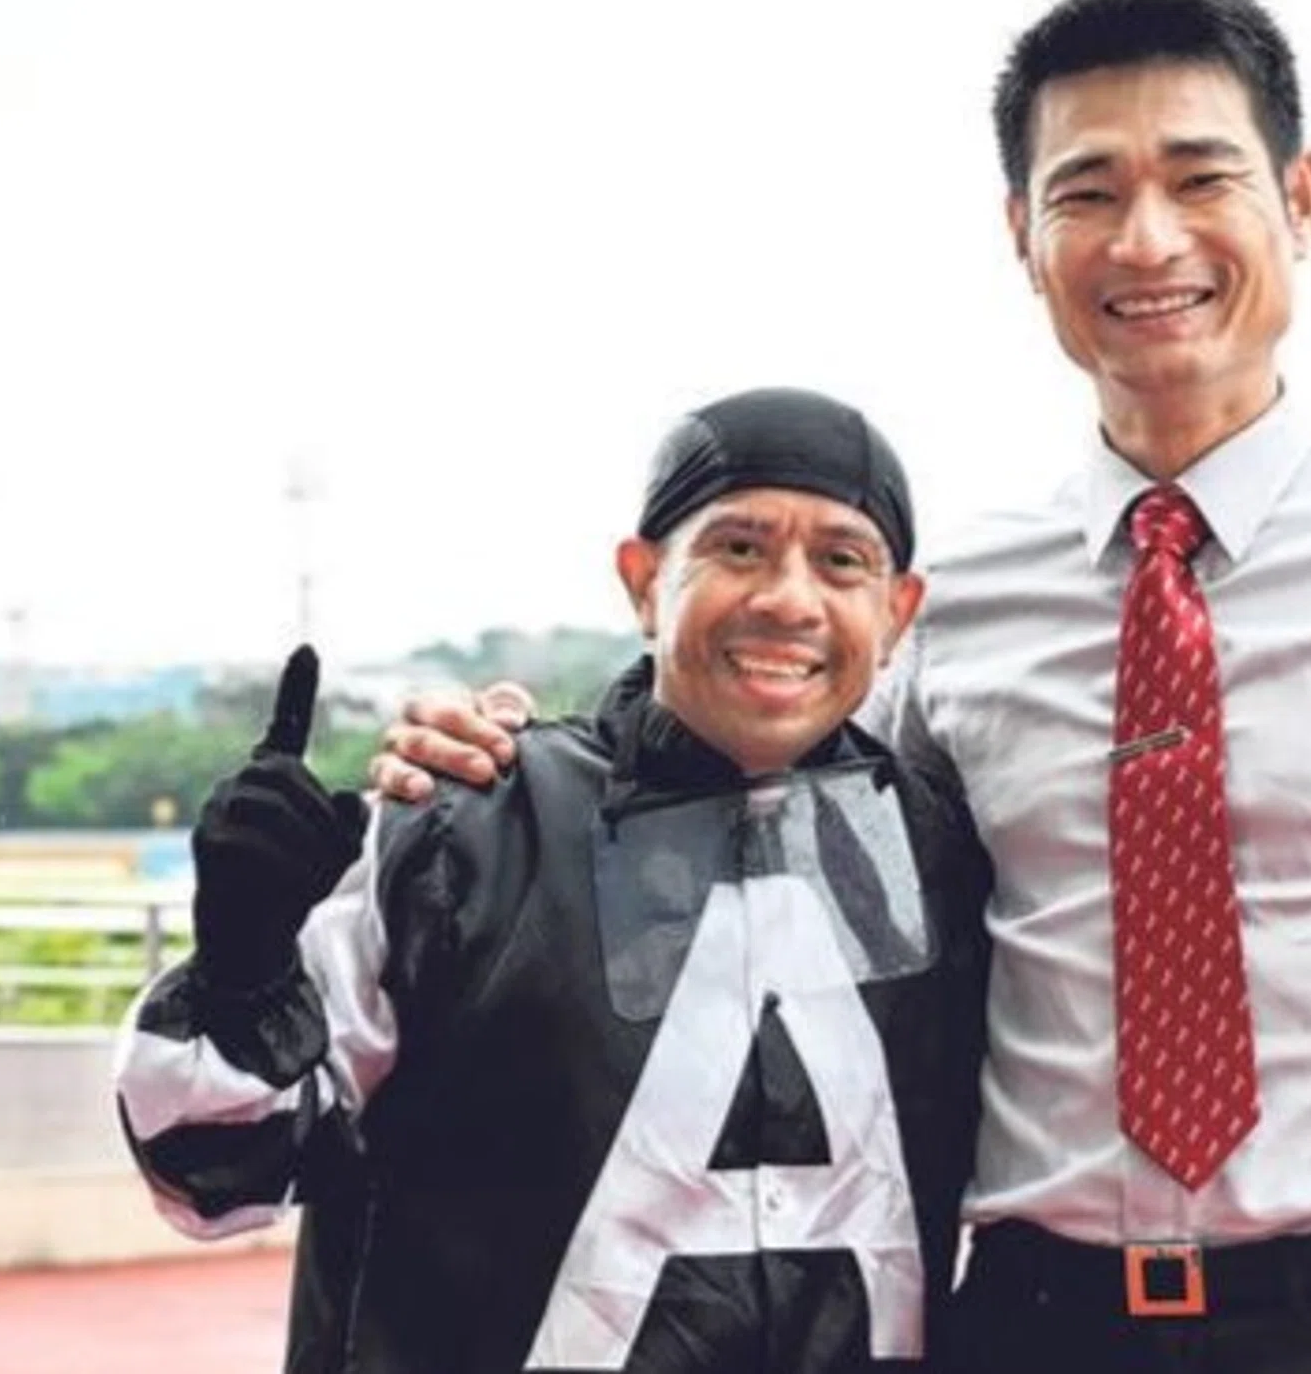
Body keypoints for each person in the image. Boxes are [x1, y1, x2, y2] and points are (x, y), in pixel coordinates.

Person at [374, 0, 1311, 1373]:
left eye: (1201, 178)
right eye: (1086, 192)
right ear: (1023, 234)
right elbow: (733, 814)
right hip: (1028, 1317)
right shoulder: (945, 605)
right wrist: (497, 765)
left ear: (1302, 200)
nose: (1147, 238)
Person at [112, 389, 996, 1374]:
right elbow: (211, 1179)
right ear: (644, 579)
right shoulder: (465, 823)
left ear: (897, 610)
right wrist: (241, 968)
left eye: (842, 559)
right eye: (738, 548)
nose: (789, 599)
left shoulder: (948, 852)